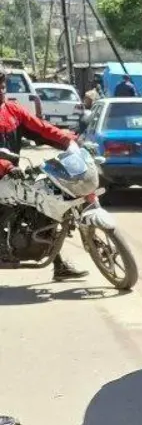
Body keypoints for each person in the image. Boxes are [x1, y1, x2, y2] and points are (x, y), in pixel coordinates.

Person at [0, 73, 87, 281]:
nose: (1, 89)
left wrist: (70, 141)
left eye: (2, 84)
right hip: (5, 173)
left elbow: (41, 128)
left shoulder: (12, 110)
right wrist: (6, 165)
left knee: (46, 205)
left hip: (12, 175)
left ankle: (58, 264)